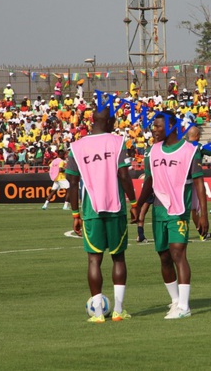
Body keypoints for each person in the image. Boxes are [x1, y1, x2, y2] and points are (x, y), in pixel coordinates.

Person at [65, 106, 138, 323]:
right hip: (115, 206)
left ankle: (97, 314)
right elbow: (124, 175)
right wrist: (134, 202)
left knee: (94, 260)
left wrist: (75, 214)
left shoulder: (77, 147)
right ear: (110, 121)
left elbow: (72, 182)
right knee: (118, 257)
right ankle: (118, 310)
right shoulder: (117, 142)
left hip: (91, 209)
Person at [135, 112, 208, 319]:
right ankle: (175, 301)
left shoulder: (189, 151)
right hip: (158, 211)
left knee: (178, 254)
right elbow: (149, 181)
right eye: (153, 126)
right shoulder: (153, 151)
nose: (154, 130)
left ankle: (184, 307)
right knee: (164, 257)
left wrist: (203, 215)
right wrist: (138, 205)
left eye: (158, 126)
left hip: (179, 211)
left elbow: (199, 184)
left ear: (172, 126)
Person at [186, 126, 211, 241]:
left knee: (183, 209)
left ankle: (200, 233)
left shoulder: (180, 145)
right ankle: (202, 233)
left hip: (178, 181)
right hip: (193, 180)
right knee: (194, 209)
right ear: (197, 136)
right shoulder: (198, 146)